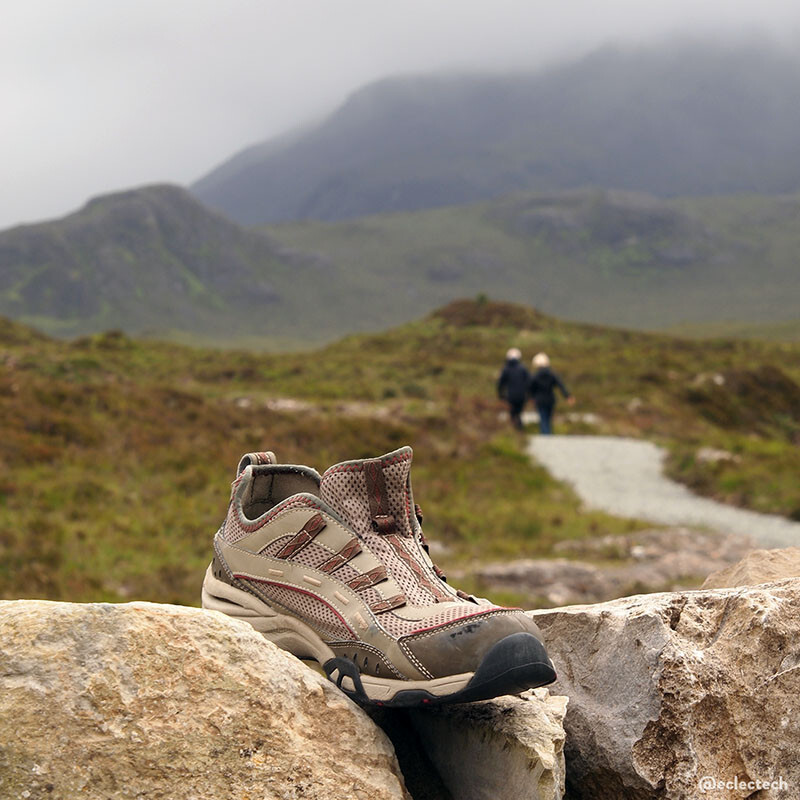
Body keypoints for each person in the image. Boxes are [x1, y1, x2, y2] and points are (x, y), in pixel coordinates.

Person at [528, 352, 574, 434]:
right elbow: (561, 386)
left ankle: (545, 436)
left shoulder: (535, 376)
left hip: (540, 400)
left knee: (543, 418)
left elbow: (530, 388)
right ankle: (548, 435)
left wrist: (531, 398)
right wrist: (568, 396)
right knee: (548, 418)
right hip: (550, 399)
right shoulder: (552, 374)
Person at [497, 348, 529, 431]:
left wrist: (501, 395)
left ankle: (515, 431)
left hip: (510, 396)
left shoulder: (506, 369)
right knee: (518, 413)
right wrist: (529, 394)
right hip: (522, 396)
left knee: (513, 413)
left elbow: (500, 384)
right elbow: (529, 381)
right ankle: (520, 429)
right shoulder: (523, 368)